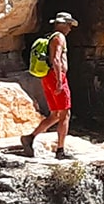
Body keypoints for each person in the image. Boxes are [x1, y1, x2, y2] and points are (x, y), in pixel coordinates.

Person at [18, 11, 77, 159]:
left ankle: (29, 138)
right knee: (65, 114)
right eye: (69, 25)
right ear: (62, 25)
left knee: (55, 114)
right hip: (56, 77)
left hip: (46, 77)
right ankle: (60, 151)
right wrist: (59, 81)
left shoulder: (49, 37)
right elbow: (56, 59)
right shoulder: (59, 37)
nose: (70, 28)